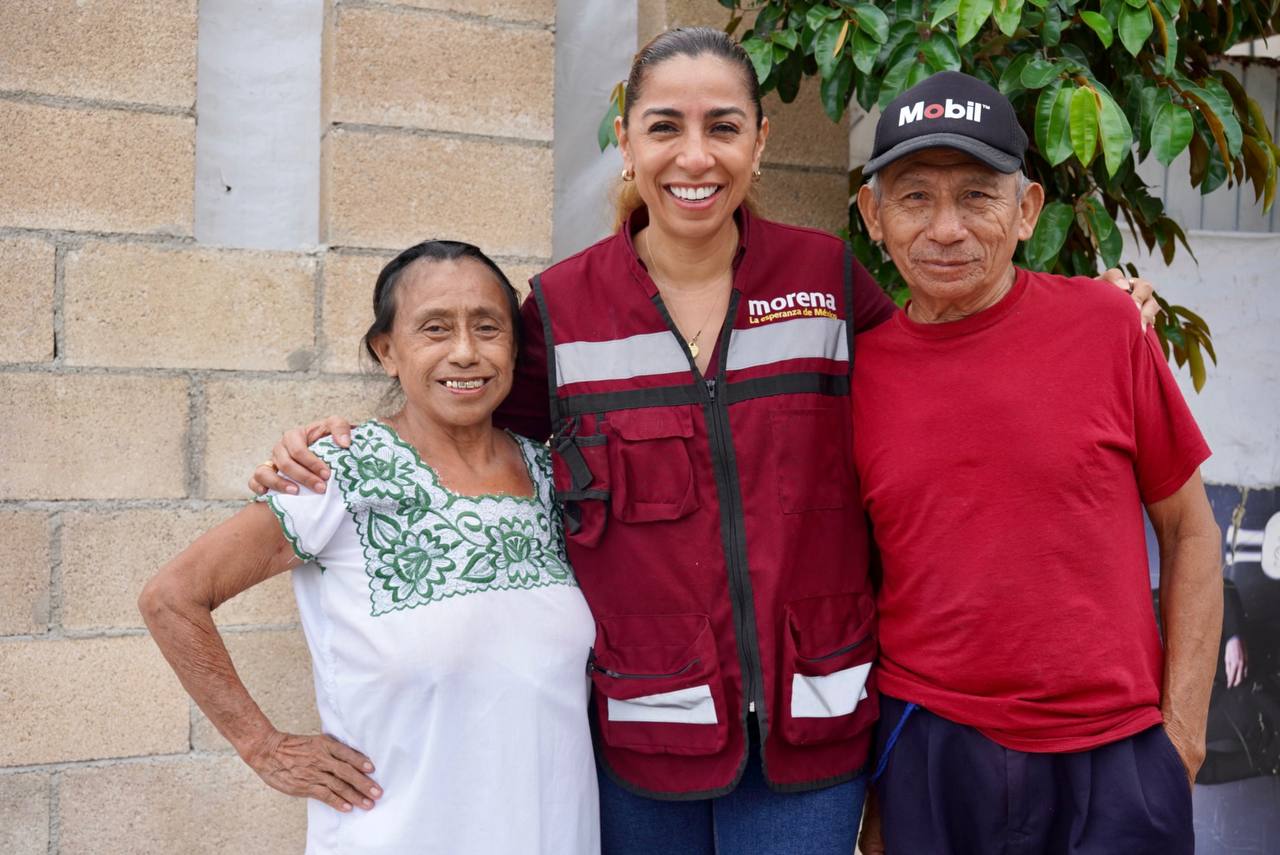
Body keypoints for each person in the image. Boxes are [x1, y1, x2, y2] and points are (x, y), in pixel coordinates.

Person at [251, 31, 1158, 855]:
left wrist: (1090, 318)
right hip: (642, 744)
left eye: (723, 126)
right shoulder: (565, 309)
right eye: (665, 126)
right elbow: (468, 408)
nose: (695, 156)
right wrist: (354, 433)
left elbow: (940, 355)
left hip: (815, 738)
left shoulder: (826, 281)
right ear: (626, 137)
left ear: (759, 141)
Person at [850, 72, 1223, 854]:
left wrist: (1181, 739)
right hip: (931, 748)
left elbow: (1191, 529)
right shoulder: (856, 372)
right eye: (915, 197)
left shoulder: (1106, 325)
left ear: (1025, 212)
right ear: (873, 218)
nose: (945, 228)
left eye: (978, 196)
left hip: (1115, 755)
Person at [139, 241, 599, 855]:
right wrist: (264, 747)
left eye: (488, 328)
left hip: (552, 832)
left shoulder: (554, 477)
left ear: (514, 346)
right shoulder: (338, 470)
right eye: (434, 329)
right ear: (388, 351)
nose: (465, 351)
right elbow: (172, 598)